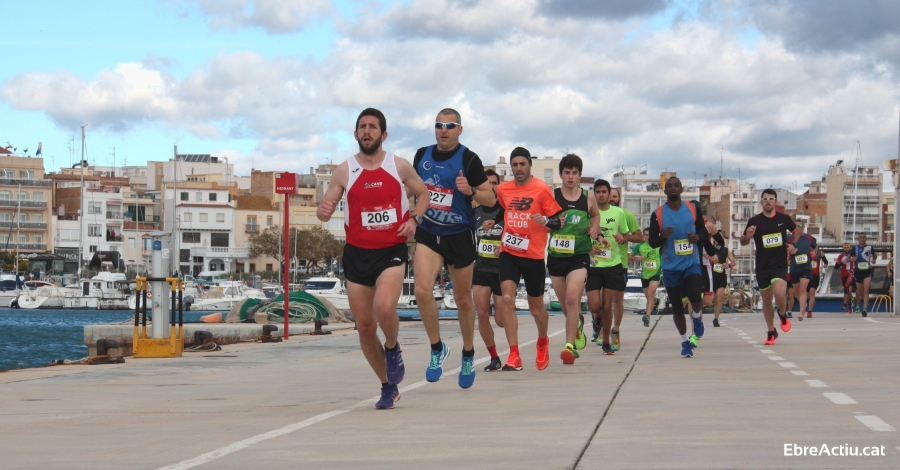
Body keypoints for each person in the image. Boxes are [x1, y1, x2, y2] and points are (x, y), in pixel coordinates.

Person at [317, 108, 429, 410]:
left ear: (383, 134)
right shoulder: (345, 170)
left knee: (384, 307)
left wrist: (415, 220)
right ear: (355, 134)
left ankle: (392, 347)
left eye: (373, 127)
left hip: (390, 250)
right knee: (365, 327)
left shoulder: (398, 165)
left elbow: (423, 194)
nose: (367, 131)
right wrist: (322, 211)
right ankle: (387, 386)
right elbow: (325, 207)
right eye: (362, 127)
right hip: (357, 254)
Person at [412, 108, 496, 388]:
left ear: (460, 129)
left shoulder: (469, 159)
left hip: (459, 235)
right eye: (439, 125)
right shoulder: (421, 155)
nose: (444, 130)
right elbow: (408, 188)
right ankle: (437, 348)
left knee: (462, 300)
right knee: (421, 290)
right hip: (429, 231)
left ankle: (468, 353)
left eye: (450, 126)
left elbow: (491, 199)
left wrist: (470, 191)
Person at [484, 147, 563, 371]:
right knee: (507, 299)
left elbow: (558, 222)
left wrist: (545, 221)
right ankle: (514, 354)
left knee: (536, 309)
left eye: (522, 164)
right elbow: (503, 210)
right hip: (508, 252)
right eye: (515, 165)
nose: (518, 168)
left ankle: (542, 341)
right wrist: (494, 221)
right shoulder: (504, 189)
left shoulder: (542, 189)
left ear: (529, 165)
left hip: (533, 255)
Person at [648, 177, 715, 357]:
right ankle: (685, 341)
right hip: (671, 267)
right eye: (669, 186)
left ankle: (697, 317)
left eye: (676, 185)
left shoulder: (692, 209)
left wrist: (697, 237)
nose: (673, 188)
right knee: (677, 308)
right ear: (665, 191)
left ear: (681, 189)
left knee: (695, 296)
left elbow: (702, 230)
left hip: (691, 262)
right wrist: (663, 236)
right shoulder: (657, 214)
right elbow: (652, 242)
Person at [548, 155, 600, 364]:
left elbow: (595, 215)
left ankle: (569, 346)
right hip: (556, 257)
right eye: (567, 172)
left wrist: (594, 228)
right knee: (566, 307)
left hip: (579, 256)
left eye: (574, 173)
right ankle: (577, 324)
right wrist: (553, 223)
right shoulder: (552, 196)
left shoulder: (588, 197)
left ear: (580, 175)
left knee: (572, 299)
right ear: (561, 175)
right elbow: (543, 223)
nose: (570, 177)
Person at [588, 180, 640, 355]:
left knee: (607, 304)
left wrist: (622, 238)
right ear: (594, 193)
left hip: (613, 264)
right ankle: (598, 319)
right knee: (595, 305)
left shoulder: (619, 213)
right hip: (594, 264)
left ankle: (606, 342)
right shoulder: (588, 213)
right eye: (598, 192)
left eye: (604, 192)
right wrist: (589, 248)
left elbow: (626, 235)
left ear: (609, 194)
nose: (601, 195)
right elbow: (582, 235)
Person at [740, 189, 796, 346]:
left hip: (779, 264)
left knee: (780, 293)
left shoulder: (784, 219)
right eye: (765, 199)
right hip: (762, 266)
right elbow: (743, 242)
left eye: (771, 199)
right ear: (761, 202)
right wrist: (748, 236)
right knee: (766, 300)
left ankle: (782, 314)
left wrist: (793, 244)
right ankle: (771, 331)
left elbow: (796, 230)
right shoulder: (754, 221)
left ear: (775, 201)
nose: (768, 202)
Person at [473, 169, 506, 372]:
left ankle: (514, 350)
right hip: (480, 269)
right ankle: (494, 358)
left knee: (501, 320)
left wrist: (504, 247)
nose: (491, 187)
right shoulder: (475, 213)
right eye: (487, 183)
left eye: (494, 183)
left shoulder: (505, 210)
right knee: (482, 315)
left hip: (502, 269)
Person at [608, 187, 644, 350]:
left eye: (615, 196)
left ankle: (615, 331)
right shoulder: (596, 214)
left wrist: (625, 237)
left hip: (619, 263)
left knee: (617, 299)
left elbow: (640, 237)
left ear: (619, 199)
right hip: (599, 263)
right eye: (609, 195)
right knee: (599, 301)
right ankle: (599, 326)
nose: (611, 198)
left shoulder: (626, 215)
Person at [629, 228, 661, 328]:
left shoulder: (659, 244)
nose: (648, 237)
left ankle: (647, 317)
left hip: (656, 273)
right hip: (644, 275)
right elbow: (630, 257)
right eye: (646, 235)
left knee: (650, 294)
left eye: (649, 235)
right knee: (649, 297)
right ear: (643, 235)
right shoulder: (640, 246)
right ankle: (656, 301)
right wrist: (638, 258)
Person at [786, 219, 816, 322]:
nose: (798, 228)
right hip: (794, 268)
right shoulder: (789, 238)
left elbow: (815, 247)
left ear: (803, 227)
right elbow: (781, 245)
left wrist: (814, 253)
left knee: (803, 289)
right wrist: (789, 248)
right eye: (796, 226)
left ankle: (801, 313)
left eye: (800, 226)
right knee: (797, 291)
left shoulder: (809, 238)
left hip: (806, 267)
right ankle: (803, 304)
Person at [710, 234, 735, 328]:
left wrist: (729, 265)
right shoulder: (710, 249)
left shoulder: (725, 250)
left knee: (719, 298)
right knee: (710, 299)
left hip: (721, 277)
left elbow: (734, 262)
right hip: (711, 276)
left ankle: (716, 319)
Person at [851, 232, 877, 317]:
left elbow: (874, 255)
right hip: (858, 272)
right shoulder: (854, 248)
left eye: (864, 237)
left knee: (866, 290)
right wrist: (852, 259)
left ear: (866, 239)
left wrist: (874, 259)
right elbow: (847, 258)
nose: (862, 239)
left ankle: (865, 309)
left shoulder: (870, 247)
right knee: (860, 291)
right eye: (861, 237)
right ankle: (866, 301)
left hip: (867, 271)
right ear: (858, 239)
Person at [806, 241, 827, 318]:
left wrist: (825, 264)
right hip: (806, 275)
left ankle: (810, 311)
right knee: (807, 295)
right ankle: (804, 307)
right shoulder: (806, 251)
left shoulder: (819, 252)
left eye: (815, 246)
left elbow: (825, 261)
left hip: (815, 275)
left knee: (812, 293)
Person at [835, 243, 856, 313]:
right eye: (845, 248)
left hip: (851, 274)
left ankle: (844, 305)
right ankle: (849, 306)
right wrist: (842, 263)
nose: (846, 249)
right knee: (846, 291)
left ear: (850, 248)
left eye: (848, 247)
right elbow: (836, 266)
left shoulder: (853, 255)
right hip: (843, 275)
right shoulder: (841, 256)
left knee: (848, 289)